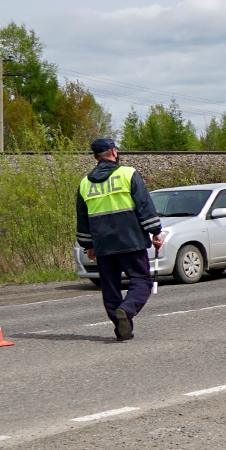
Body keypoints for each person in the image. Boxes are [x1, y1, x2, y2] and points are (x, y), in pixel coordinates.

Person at [75, 138, 164, 341]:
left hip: (104, 245)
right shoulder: (128, 173)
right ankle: (127, 308)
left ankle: (121, 326)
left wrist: (88, 245)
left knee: (110, 287)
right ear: (114, 152)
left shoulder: (85, 183)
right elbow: (144, 205)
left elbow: (82, 218)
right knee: (141, 281)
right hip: (130, 241)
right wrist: (155, 231)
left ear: (96, 156)